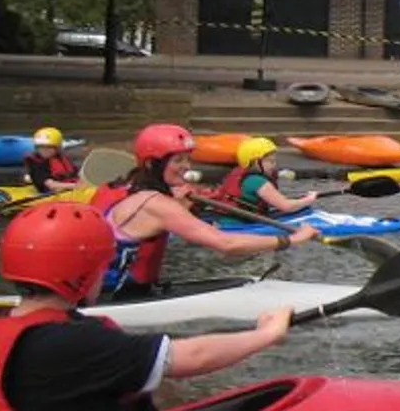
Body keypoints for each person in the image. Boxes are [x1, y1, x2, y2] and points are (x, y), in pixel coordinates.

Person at [0, 203, 297, 411]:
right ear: (84, 274)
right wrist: (266, 334)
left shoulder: (7, 328)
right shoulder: (79, 342)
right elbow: (194, 357)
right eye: (102, 267)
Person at [90, 124, 318, 299]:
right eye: (178, 160)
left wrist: (180, 205)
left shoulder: (118, 188)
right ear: (152, 164)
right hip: (117, 298)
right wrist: (291, 239)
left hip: (100, 293)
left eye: (187, 159)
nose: (187, 167)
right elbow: (227, 245)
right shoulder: (157, 204)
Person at [213, 137, 316, 217]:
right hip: (239, 226)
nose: (274, 165)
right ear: (256, 162)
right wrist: (308, 199)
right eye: (270, 161)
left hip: (228, 220)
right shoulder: (258, 182)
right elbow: (287, 206)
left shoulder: (241, 174)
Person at [23, 128, 82, 195]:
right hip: (49, 194)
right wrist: (75, 186)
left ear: (57, 148)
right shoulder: (36, 163)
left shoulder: (62, 158)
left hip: (69, 189)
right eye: (40, 147)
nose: (43, 150)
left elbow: (78, 175)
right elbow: (51, 185)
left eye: (48, 147)